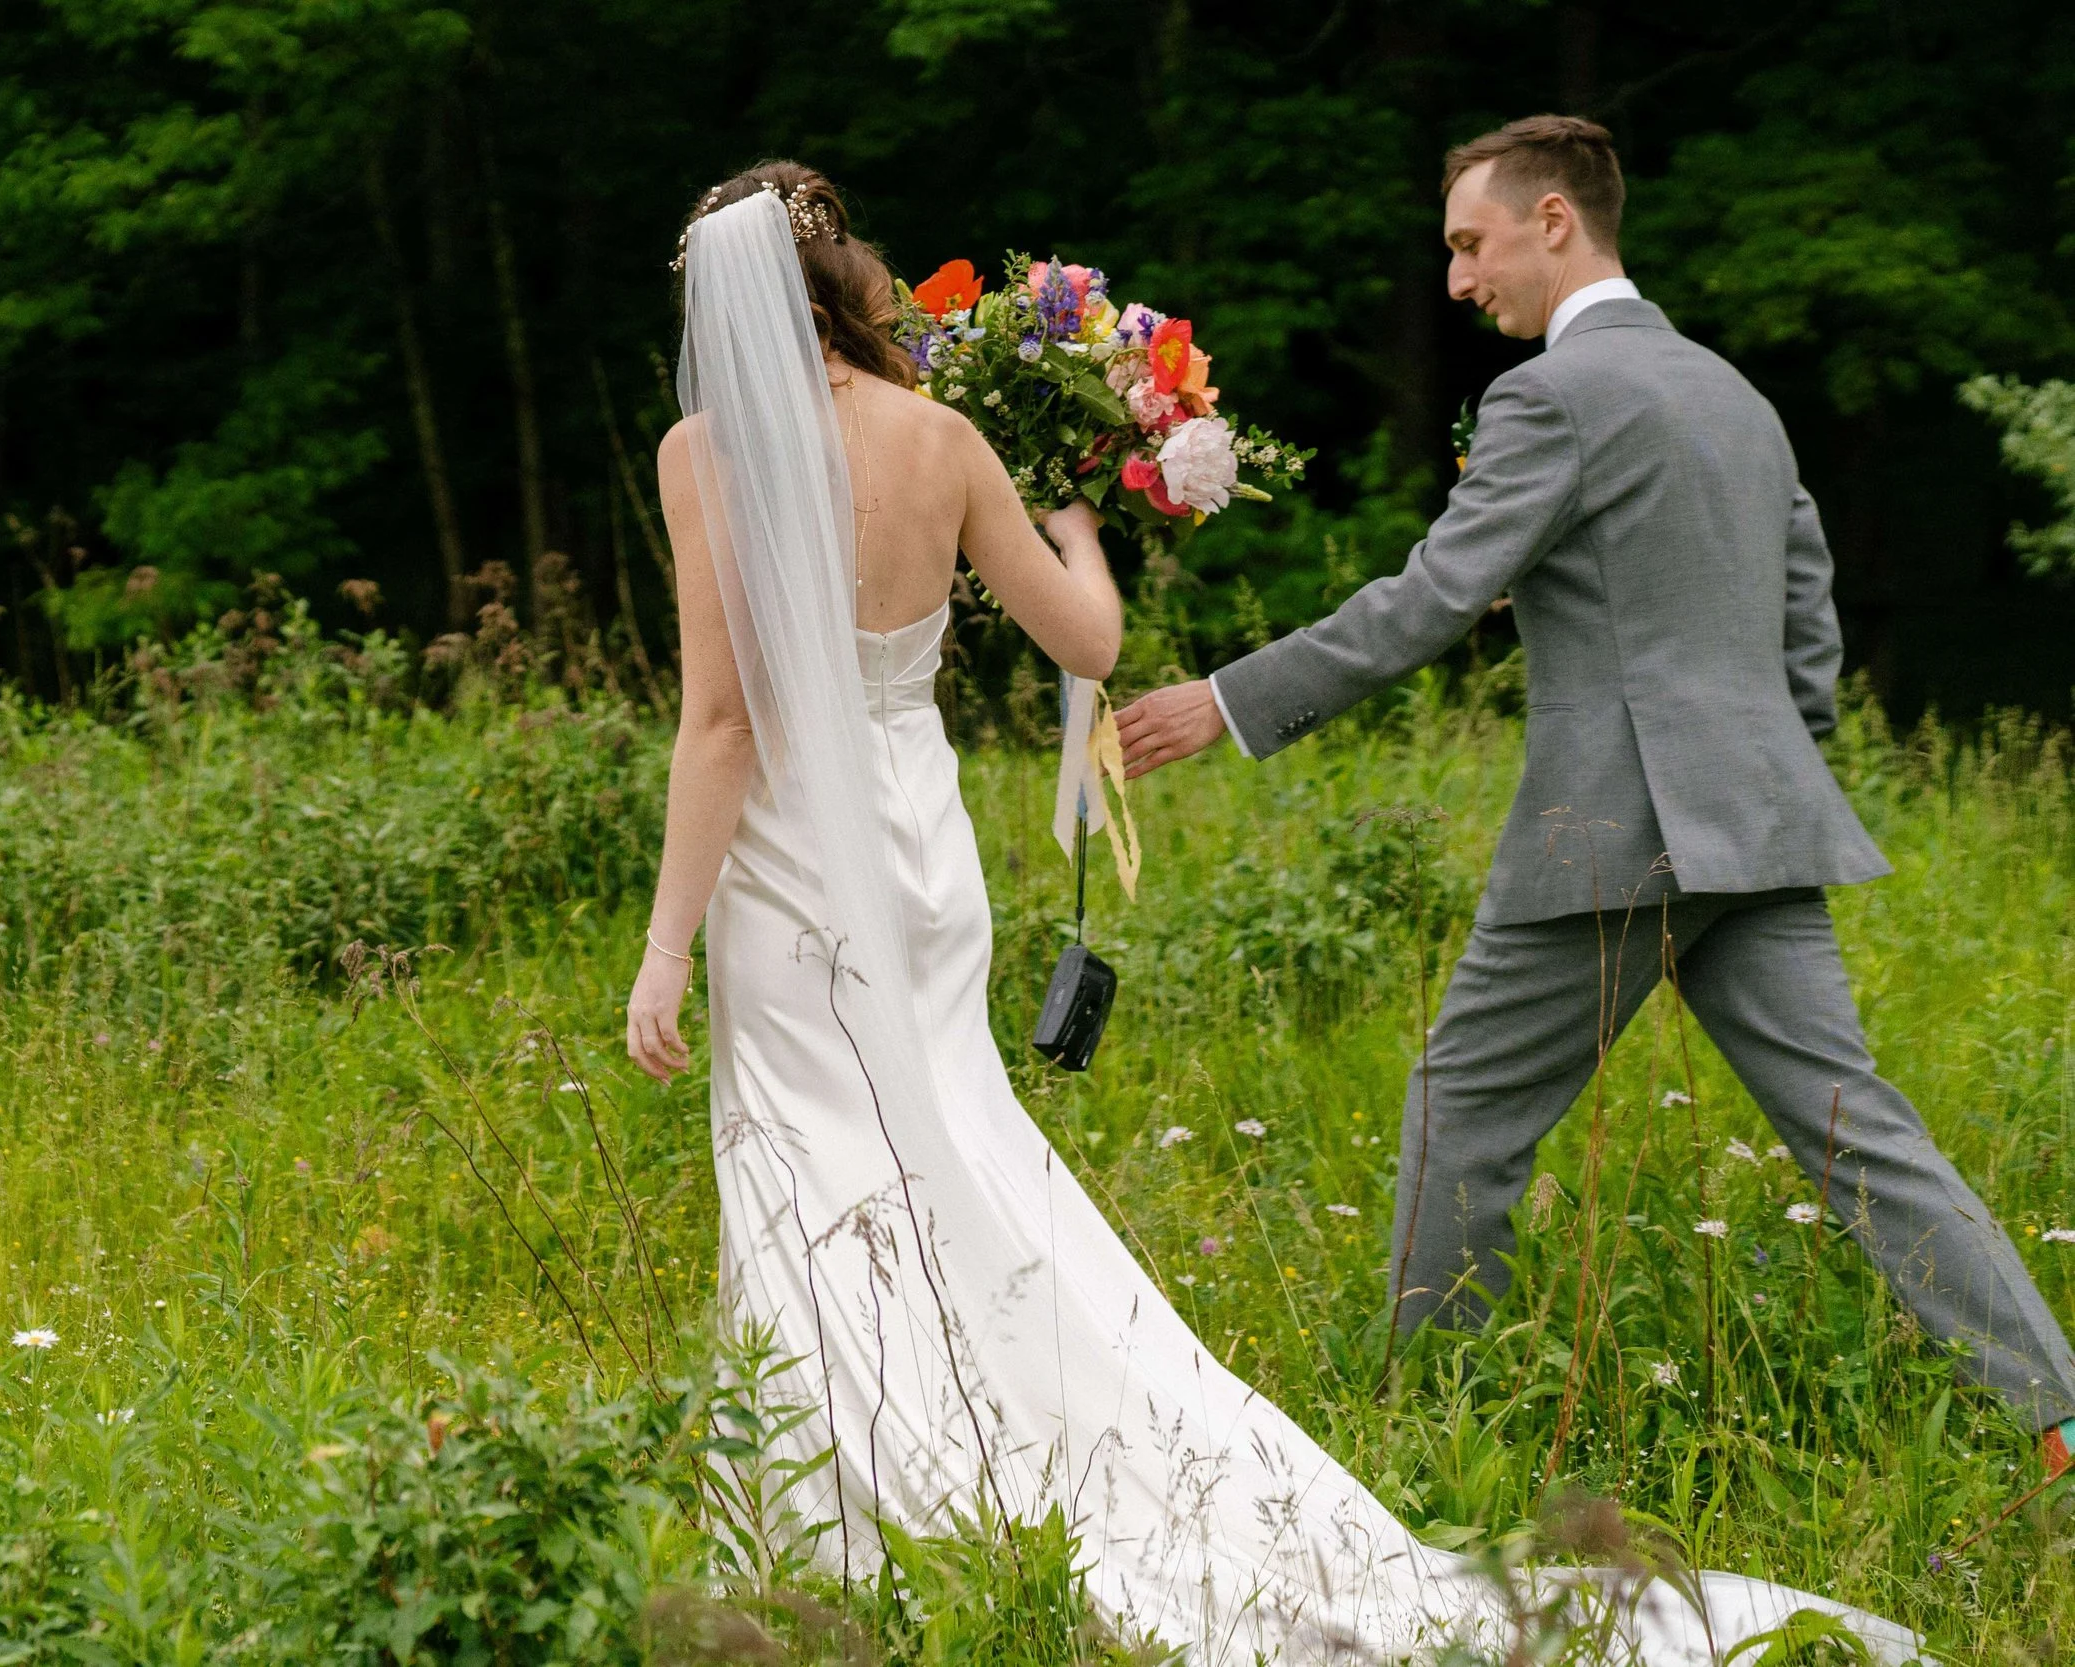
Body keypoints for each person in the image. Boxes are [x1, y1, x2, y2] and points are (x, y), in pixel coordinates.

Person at [626, 158, 1916, 1661]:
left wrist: (666, 943)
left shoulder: (699, 455)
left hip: (790, 867)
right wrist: (1081, 525)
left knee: (806, 1156)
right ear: (843, 276)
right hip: (922, 861)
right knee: (952, 1137)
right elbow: (1088, 642)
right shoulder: (943, 435)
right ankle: (1019, 1429)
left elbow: (722, 727)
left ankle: (840, 1504)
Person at [1113, 114, 2075, 1488]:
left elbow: (1432, 598)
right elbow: (1809, 620)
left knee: (1463, 1114)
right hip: (1755, 829)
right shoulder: (1734, 395)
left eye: (1469, 242)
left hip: (1614, 839)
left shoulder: (1551, 398)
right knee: (1866, 1137)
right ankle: (2062, 1423)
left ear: (1554, 220)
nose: (1457, 280)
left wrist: (1223, 700)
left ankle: (1426, 1444)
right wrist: (1757, 782)